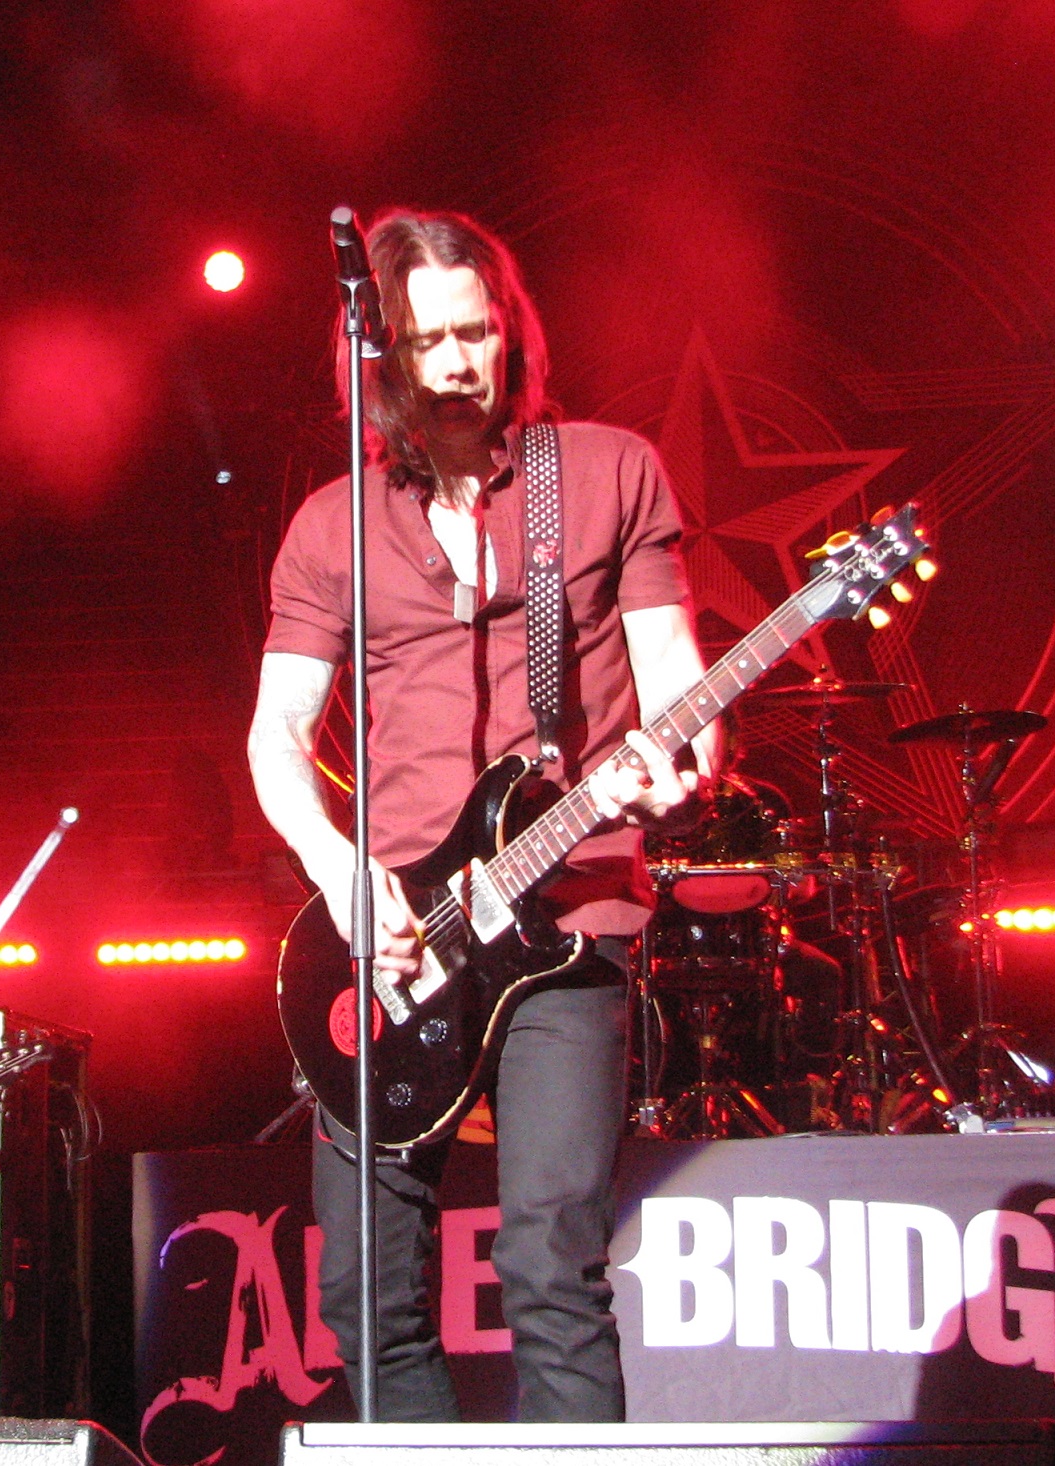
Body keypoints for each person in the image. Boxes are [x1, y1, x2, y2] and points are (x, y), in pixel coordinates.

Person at [246, 209, 719, 1422]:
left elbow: (678, 687)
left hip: (570, 913)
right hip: (397, 939)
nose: (460, 362)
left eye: (478, 331)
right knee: (362, 1292)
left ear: (511, 330)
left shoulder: (604, 472)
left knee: (550, 1266)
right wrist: (342, 872)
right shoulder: (332, 524)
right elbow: (274, 735)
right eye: (429, 341)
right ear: (379, 356)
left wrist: (677, 759)